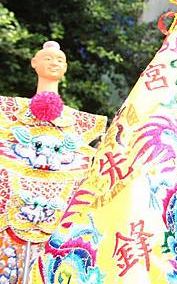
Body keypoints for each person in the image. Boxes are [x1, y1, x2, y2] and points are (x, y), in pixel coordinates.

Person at [0, 41, 107, 283]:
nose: (54, 63)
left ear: (66, 67)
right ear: (34, 63)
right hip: (11, 213)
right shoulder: (9, 112)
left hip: (58, 219)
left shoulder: (80, 123)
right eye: (48, 58)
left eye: (59, 59)